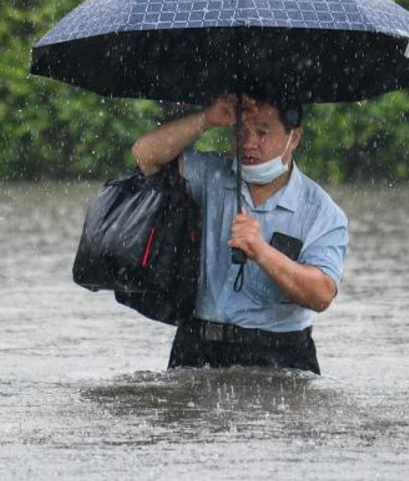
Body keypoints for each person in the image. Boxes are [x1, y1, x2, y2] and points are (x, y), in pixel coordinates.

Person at [132, 93, 348, 375]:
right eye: (241, 131)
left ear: (293, 138)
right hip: (198, 342)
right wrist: (207, 118)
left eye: (262, 132)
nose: (248, 143)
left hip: (280, 352)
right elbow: (144, 155)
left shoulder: (321, 211)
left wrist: (261, 251)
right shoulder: (211, 174)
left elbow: (321, 295)